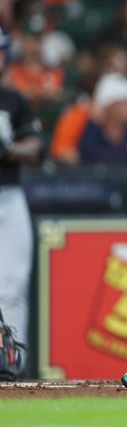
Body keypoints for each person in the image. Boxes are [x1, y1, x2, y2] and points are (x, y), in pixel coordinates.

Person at [0, 26, 43, 363]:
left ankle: (11, 361)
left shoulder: (12, 100)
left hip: (9, 194)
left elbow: (34, 146)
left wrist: (9, 146)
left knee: (13, 284)